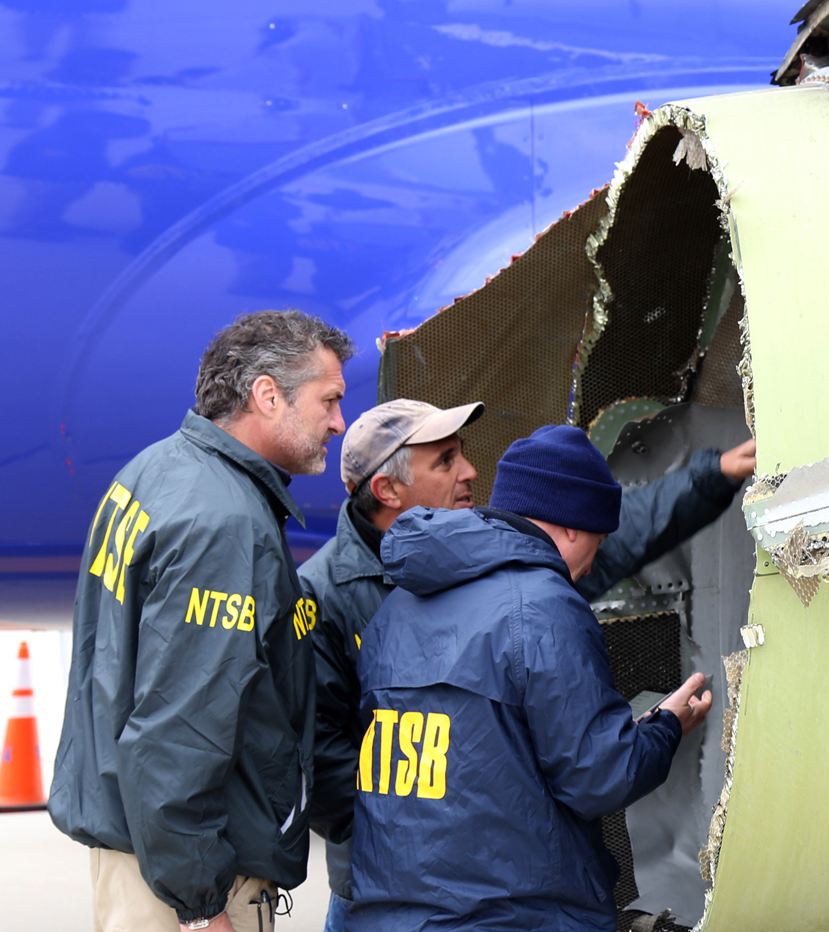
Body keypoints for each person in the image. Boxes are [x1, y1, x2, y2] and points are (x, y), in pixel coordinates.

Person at [301, 400, 754, 930]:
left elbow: (606, 534)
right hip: (477, 893)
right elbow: (596, 775)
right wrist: (663, 729)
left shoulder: (416, 590)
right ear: (387, 490)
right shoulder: (331, 595)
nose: (470, 470)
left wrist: (706, 476)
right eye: (445, 461)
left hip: (406, 897)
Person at [50, 309, 353, 932]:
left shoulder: (157, 469)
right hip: (184, 873)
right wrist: (202, 905)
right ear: (267, 396)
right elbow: (179, 731)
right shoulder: (225, 524)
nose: (338, 423)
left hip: (142, 849)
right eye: (328, 400)